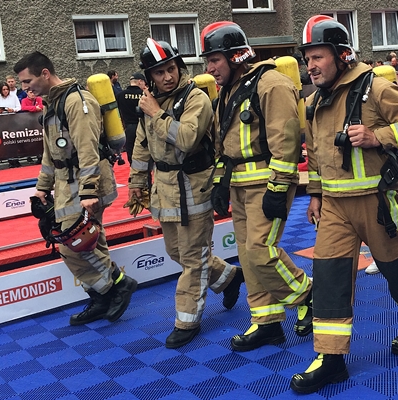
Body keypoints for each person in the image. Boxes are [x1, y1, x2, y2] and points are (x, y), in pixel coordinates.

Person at [293, 15, 398, 394]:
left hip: (376, 200)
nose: (310, 65)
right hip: (335, 208)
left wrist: (379, 136)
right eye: (307, 58)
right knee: (329, 279)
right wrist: (315, 195)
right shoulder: (312, 102)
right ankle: (331, 358)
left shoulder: (374, 87)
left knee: (394, 270)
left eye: (318, 56)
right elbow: (316, 155)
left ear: (341, 55)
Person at [201, 21, 313, 352]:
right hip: (239, 185)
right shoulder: (229, 92)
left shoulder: (272, 84)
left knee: (262, 253)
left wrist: (278, 188)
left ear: (236, 57)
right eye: (207, 61)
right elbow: (224, 144)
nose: (209, 68)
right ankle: (267, 322)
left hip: (267, 183)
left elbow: (287, 140)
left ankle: (308, 294)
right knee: (248, 259)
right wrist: (220, 183)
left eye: (215, 60)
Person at [127, 39, 245, 348]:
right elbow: (141, 146)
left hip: (193, 185)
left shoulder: (196, 99)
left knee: (193, 258)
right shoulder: (149, 103)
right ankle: (230, 277)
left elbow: (189, 139)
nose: (167, 77)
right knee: (176, 252)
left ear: (180, 68)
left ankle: (187, 320)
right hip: (163, 188)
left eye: (171, 69)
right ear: (149, 77)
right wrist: (137, 183)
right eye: (159, 72)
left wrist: (156, 114)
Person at [14, 51, 137, 326]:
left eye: (27, 81)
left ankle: (117, 284)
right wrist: (42, 187)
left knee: (73, 244)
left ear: (45, 73)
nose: (25, 88)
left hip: (85, 185)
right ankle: (100, 298)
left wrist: (89, 192)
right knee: (93, 241)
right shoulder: (52, 105)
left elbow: (88, 150)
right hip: (66, 185)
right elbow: (50, 152)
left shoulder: (76, 102)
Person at [116, 73, 145, 164]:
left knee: (131, 153)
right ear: (140, 81)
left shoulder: (120, 95)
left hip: (129, 129)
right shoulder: (144, 95)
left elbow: (117, 113)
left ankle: (133, 172)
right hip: (143, 128)